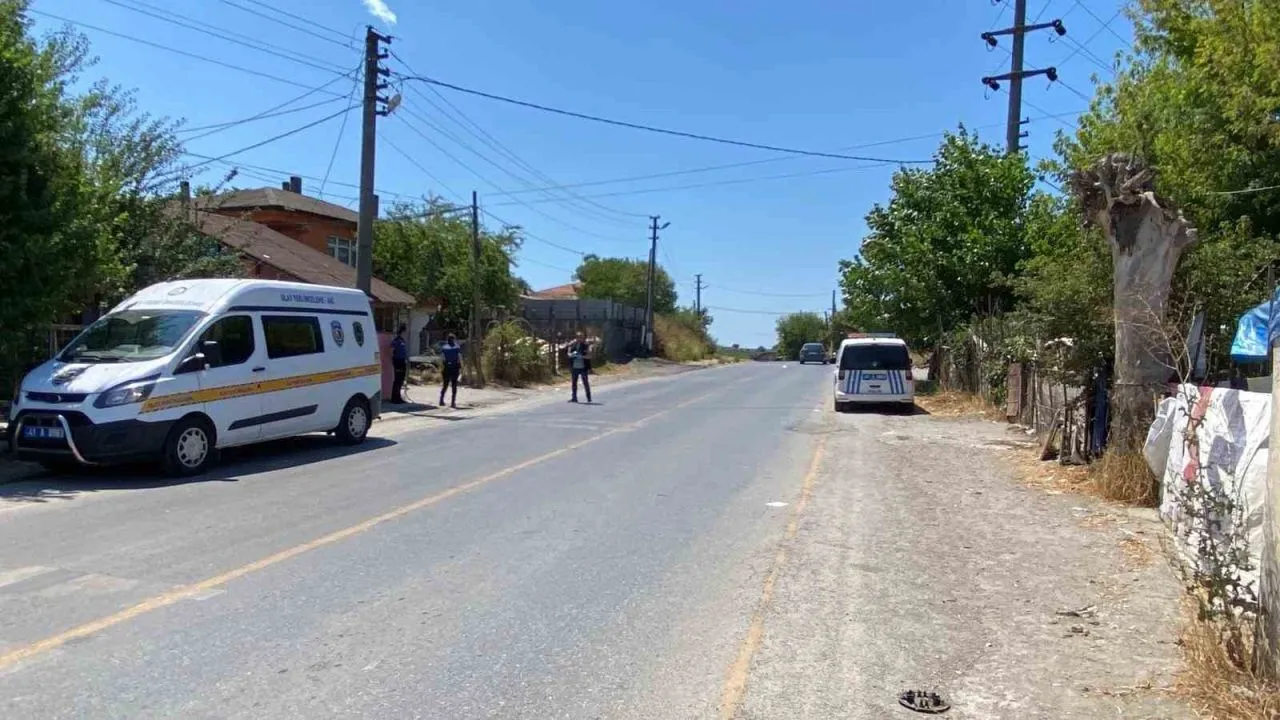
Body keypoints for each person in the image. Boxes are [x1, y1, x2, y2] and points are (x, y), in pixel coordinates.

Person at [566, 331, 592, 403]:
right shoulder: (572, 345)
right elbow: (568, 354)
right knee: (574, 383)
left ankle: (588, 397)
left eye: (581, 337)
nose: (579, 339)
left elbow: (589, 356)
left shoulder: (586, 345)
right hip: (575, 367)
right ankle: (574, 398)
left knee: (585, 382)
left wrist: (582, 356)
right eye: (578, 337)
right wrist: (572, 355)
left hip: (583, 367)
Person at [439, 333, 462, 409]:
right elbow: (460, 357)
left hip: (446, 367)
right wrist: (461, 367)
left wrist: (442, 367)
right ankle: (453, 402)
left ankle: (441, 400)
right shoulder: (457, 347)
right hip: (454, 367)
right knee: (454, 385)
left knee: (445, 385)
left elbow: (442, 358)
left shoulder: (444, 347)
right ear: (454, 339)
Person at [390, 324, 408, 404]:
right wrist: (393, 359)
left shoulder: (403, 340)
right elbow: (391, 349)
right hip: (397, 361)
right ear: (402, 332)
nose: (406, 333)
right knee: (397, 380)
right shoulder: (396, 340)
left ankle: (399, 397)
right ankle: (394, 398)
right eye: (405, 332)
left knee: (401, 380)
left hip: (402, 361)